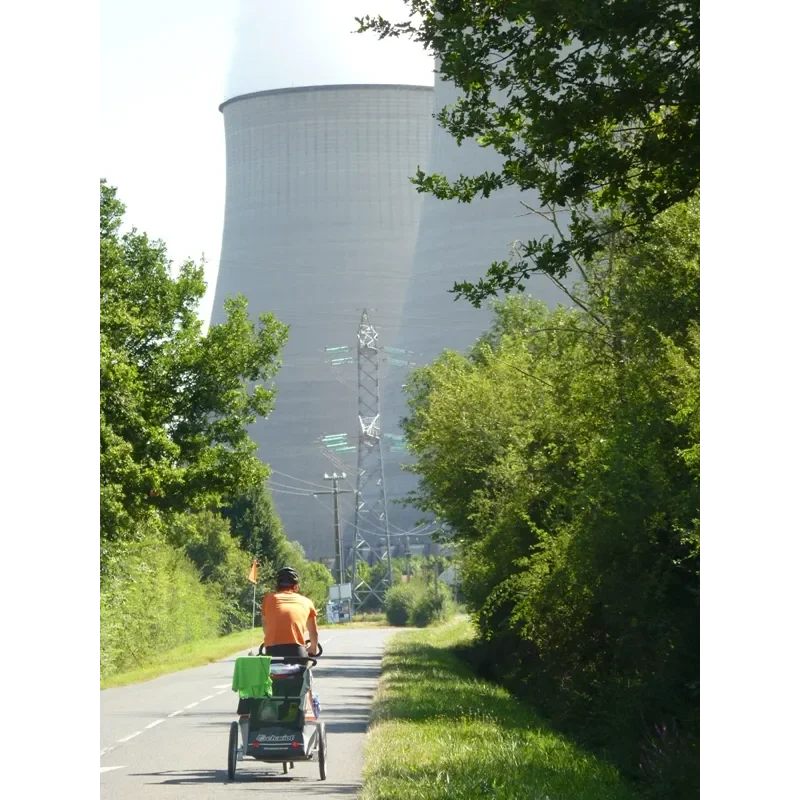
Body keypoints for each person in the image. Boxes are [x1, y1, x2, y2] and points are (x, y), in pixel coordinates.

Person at [261, 566, 320, 660]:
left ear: (277, 586)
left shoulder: (268, 598)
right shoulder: (307, 602)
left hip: (272, 650)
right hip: (296, 651)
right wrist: (313, 648)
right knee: (305, 671)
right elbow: (313, 631)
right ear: (296, 587)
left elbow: (265, 625)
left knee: (270, 673)